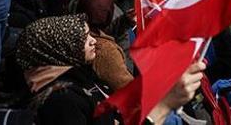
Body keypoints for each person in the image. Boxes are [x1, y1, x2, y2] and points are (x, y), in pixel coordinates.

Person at [16, 14, 204, 125]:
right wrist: (161, 109)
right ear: (59, 49)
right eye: (82, 38)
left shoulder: (74, 73)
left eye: (90, 33)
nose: (93, 41)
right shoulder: (60, 103)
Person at [76, 0, 133, 91]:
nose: (91, 41)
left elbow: (100, 30)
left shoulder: (75, 29)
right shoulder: (105, 51)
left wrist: (124, 21)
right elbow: (128, 89)